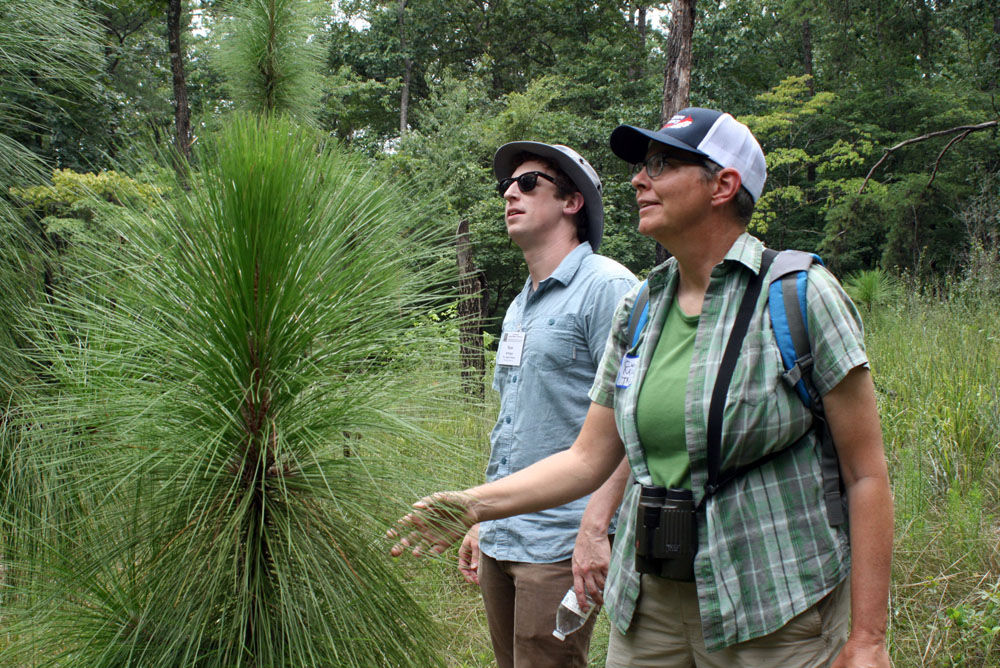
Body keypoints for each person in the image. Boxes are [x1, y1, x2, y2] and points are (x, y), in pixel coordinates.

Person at [390, 109, 892, 668]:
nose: (637, 180)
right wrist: (471, 507)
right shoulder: (641, 307)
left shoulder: (801, 295)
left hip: (770, 603)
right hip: (650, 604)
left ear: (723, 185)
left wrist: (868, 639)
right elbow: (587, 459)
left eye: (661, 164)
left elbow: (866, 475)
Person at [454, 142, 636, 668]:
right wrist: (484, 517)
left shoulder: (610, 288)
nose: (510, 193)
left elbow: (635, 420)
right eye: (506, 185)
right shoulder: (520, 305)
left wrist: (595, 530)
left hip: (562, 541)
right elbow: (513, 424)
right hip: (504, 535)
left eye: (529, 182)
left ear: (572, 202)